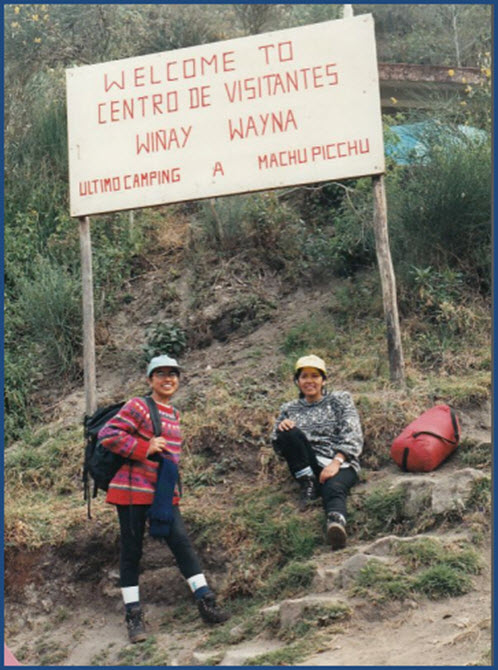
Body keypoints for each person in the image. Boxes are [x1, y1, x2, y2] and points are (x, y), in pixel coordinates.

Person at [98, 354, 229, 644]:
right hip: (131, 491)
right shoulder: (138, 406)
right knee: (131, 552)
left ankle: (205, 601)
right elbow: (108, 434)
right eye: (161, 374)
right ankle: (133, 616)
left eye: (173, 374)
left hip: (161, 494)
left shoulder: (175, 413)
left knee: (181, 543)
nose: (168, 379)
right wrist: (143, 447)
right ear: (150, 379)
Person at [271, 354, 363, 550]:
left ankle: (336, 524)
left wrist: (336, 462)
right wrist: (283, 427)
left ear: (324, 380)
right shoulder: (289, 409)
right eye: (304, 376)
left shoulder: (340, 400)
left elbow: (353, 432)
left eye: (315, 376)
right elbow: (278, 446)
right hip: (308, 462)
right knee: (289, 432)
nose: (309, 381)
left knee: (334, 486)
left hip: (339, 461)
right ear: (297, 381)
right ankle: (308, 483)